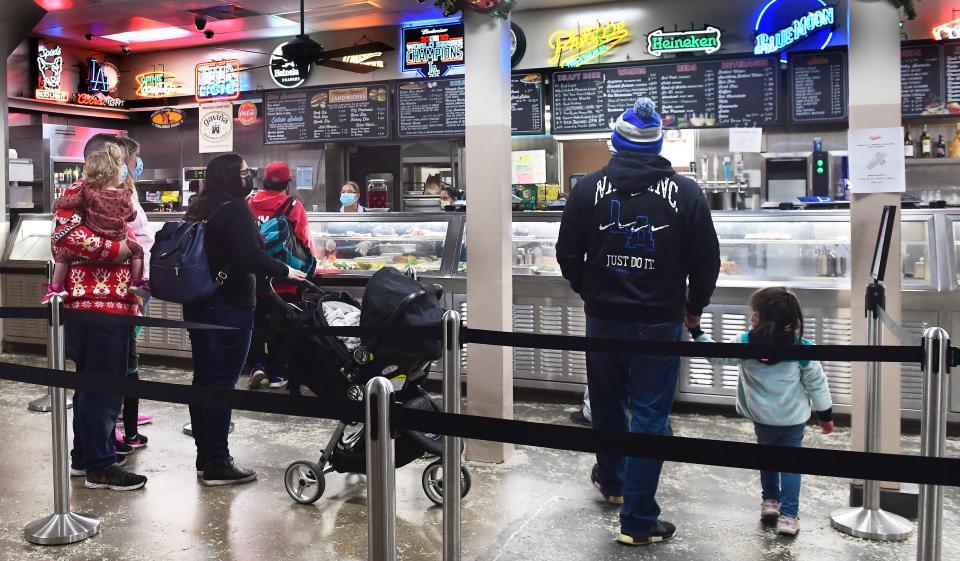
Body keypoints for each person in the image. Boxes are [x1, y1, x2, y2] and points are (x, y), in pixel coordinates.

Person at [556, 97, 720, 546]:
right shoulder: (687, 194)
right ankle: (637, 519)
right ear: (660, 145)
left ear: (614, 143)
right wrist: (694, 305)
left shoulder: (587, 189)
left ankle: (612, 482)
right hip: (660, 322)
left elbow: (566, 254)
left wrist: (590, 291)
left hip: (604, 319)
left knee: (607, 407)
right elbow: (707, 261)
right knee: (650, 416)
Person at [183, 153, 306, 486]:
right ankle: (218, 462)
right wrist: (286, 270)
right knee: (222, 384)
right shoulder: (235, 209)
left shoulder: (199, 207)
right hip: (229, 307)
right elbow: (249, 257)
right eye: (244, 172)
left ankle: (205, 457)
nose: (249, 177)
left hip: (198, 305)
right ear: (230, 177)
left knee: (204, 380)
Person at [690, 287, 834, 536]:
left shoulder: (745, 343)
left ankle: (770, 502)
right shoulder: (802, 348)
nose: (751, 317)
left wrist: (696, 331)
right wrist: (825, 415)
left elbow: (716, 357)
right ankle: (788, 517)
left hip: (761, 418)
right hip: (791, 420)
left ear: (764, 318)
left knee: (767, 458)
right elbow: (817, 384)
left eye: (754, 313)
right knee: (790, 464)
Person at [54, 133, 147, 491]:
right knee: (103, 388)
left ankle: (87, 455)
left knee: (96, 387)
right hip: (95, 306)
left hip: (113, 303)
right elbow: (66, 237)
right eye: (124, 159)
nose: (128, 166)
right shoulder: (80, 191)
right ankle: (100, 466)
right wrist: (117, 249)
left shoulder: (111, 193)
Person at [46, 144, 148, 304]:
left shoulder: (91, 193)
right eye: (119, 161)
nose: (124, 166)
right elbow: (66, 235)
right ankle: (137, 282)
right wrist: (116, 248)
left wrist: (57, 202)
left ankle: (54, 288)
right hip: (88, 297)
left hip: (120, 299)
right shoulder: (87, 190)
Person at [247, 161, 317, 389]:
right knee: (282, 324)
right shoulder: (293, 205)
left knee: (255, 322)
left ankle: (257, 365)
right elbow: (304, 241)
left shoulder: (249, 203)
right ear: (288, 182)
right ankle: (277, 373)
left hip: (255, 275)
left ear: (264, 180)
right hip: (284, 278)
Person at [114, 135, 154, 454]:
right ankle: (116, 419)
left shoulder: (130, 192)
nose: (139, 162)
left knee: (129, 351)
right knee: (123, 356)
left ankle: (122, 413)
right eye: (136, 157)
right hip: (129, 283)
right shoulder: (117, 196)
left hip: (139, 279)